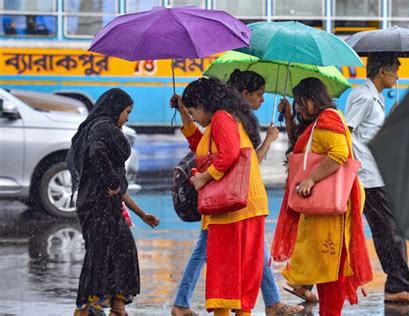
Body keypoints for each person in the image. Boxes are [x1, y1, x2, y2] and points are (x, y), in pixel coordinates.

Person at [171, 71, 303, 316]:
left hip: (234, 206)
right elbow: (203, 145)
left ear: (203, 104)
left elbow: (228, 154)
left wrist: (204, 176)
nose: (194, 118)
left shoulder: (222, 118)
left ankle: (191, 304)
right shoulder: (222, 120)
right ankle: (257, 307)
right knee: (243, 268)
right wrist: (183, 114)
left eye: (193, 111)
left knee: (227, 269)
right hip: (240, 204)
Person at [272, 78, 373, 316]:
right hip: (323, 207)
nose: (298, 107)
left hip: (332, 207)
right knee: (322, 263)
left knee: (332, 265)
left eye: (300, 101)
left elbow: (338, 154)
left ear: (313, 98)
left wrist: (310, 179)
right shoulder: (319, 121)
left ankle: (331, 312)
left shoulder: (328, 119)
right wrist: (288, 117)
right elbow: (306, 146)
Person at [67, 88, 159, 316]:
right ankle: (89, 307)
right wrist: (112, 181)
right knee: (100, 255)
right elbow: (98, 154)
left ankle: (116, 307)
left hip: (101, 205)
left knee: (121, 251)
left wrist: (141, 214)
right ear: (116, 108)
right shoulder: (103, 129)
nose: (127, 117)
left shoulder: (97, 128)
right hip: (97, 206)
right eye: (127, 111)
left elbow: (118, 188)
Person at [344, 53, 409, 304]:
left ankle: (304, 280)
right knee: (391, 232)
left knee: (373, 232)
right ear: (381, 72)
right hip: (368, 177)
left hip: (375, 175)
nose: (398, 76)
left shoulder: (374, 97)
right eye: (394, 71)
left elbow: (370, 136)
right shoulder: (364, 96)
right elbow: (346, 132)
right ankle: (397, 286)